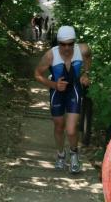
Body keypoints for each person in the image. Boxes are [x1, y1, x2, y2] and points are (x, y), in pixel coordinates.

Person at [34, 25, 92, 173]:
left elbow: (88, 57)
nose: (67, 48)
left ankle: (74, 155)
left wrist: (86, 74)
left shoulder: (82, 49)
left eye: (70, 44)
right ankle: (61, 154)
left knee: (71, 130)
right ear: (58, 42)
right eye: (63, 44)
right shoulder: (50, 55)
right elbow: (37, 74)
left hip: (74, 90)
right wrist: (54, 85)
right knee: (59, 126)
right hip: (57, 91)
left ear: (74, 42)